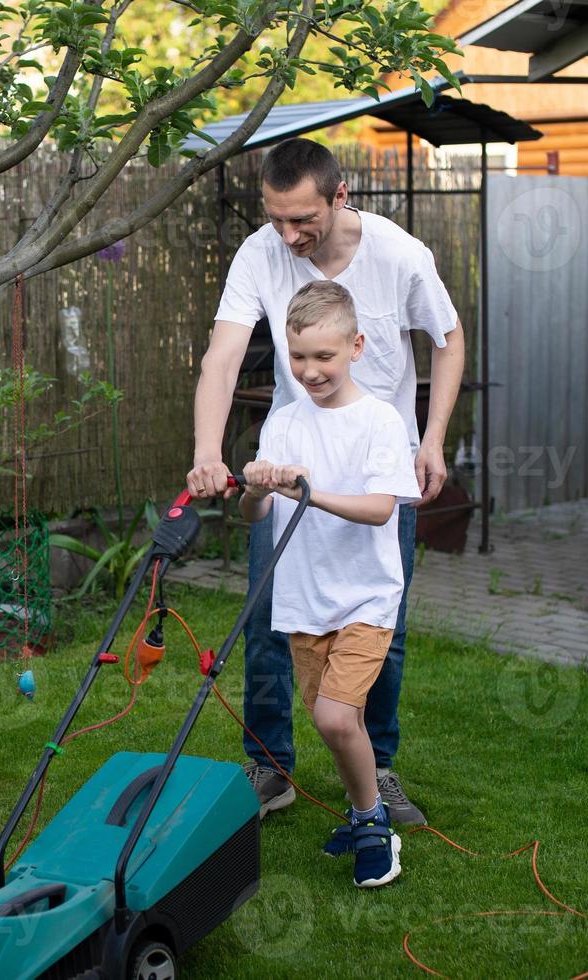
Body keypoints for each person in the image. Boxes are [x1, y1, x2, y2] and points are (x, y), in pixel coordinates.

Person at [187, 138, 464, 825]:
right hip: (293, 462)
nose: (287, 235)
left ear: (341, 197)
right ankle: (270, 767)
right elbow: (222, 356)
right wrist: (206, 448)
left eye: (301, 219)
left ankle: (378, 771)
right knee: (268, 616)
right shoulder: (260, 253)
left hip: (378, 463)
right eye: (275, 218)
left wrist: (431, 439)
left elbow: (448, 337)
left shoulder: (397, 254)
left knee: (379, 626)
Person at [239, 280, 420, 887]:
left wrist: (306, 492)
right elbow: (253, 516)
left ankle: (374, 825)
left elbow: (379, 509)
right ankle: (359, 809)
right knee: (333, 718)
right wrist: (257, 487)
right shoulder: (284, 424)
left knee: (337, 719)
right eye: (298, 357)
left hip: (367, 596)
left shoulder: (380, 423)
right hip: (305, 600)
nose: (310, 370)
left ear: (357, 347)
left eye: (324, 356)